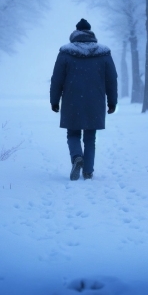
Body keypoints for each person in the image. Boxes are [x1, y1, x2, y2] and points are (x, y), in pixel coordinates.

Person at [50, 18, 118, 180]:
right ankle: (88, 171)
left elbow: (57, 79)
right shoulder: (104, 53)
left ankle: (76, 157)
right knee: (90, 137)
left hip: (72, 100)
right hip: (95, 100)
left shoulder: (66, 53)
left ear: (75, 34)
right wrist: (112, 101)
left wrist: (54, 100)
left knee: (73, 134)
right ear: (91, 34)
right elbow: (112, 79)